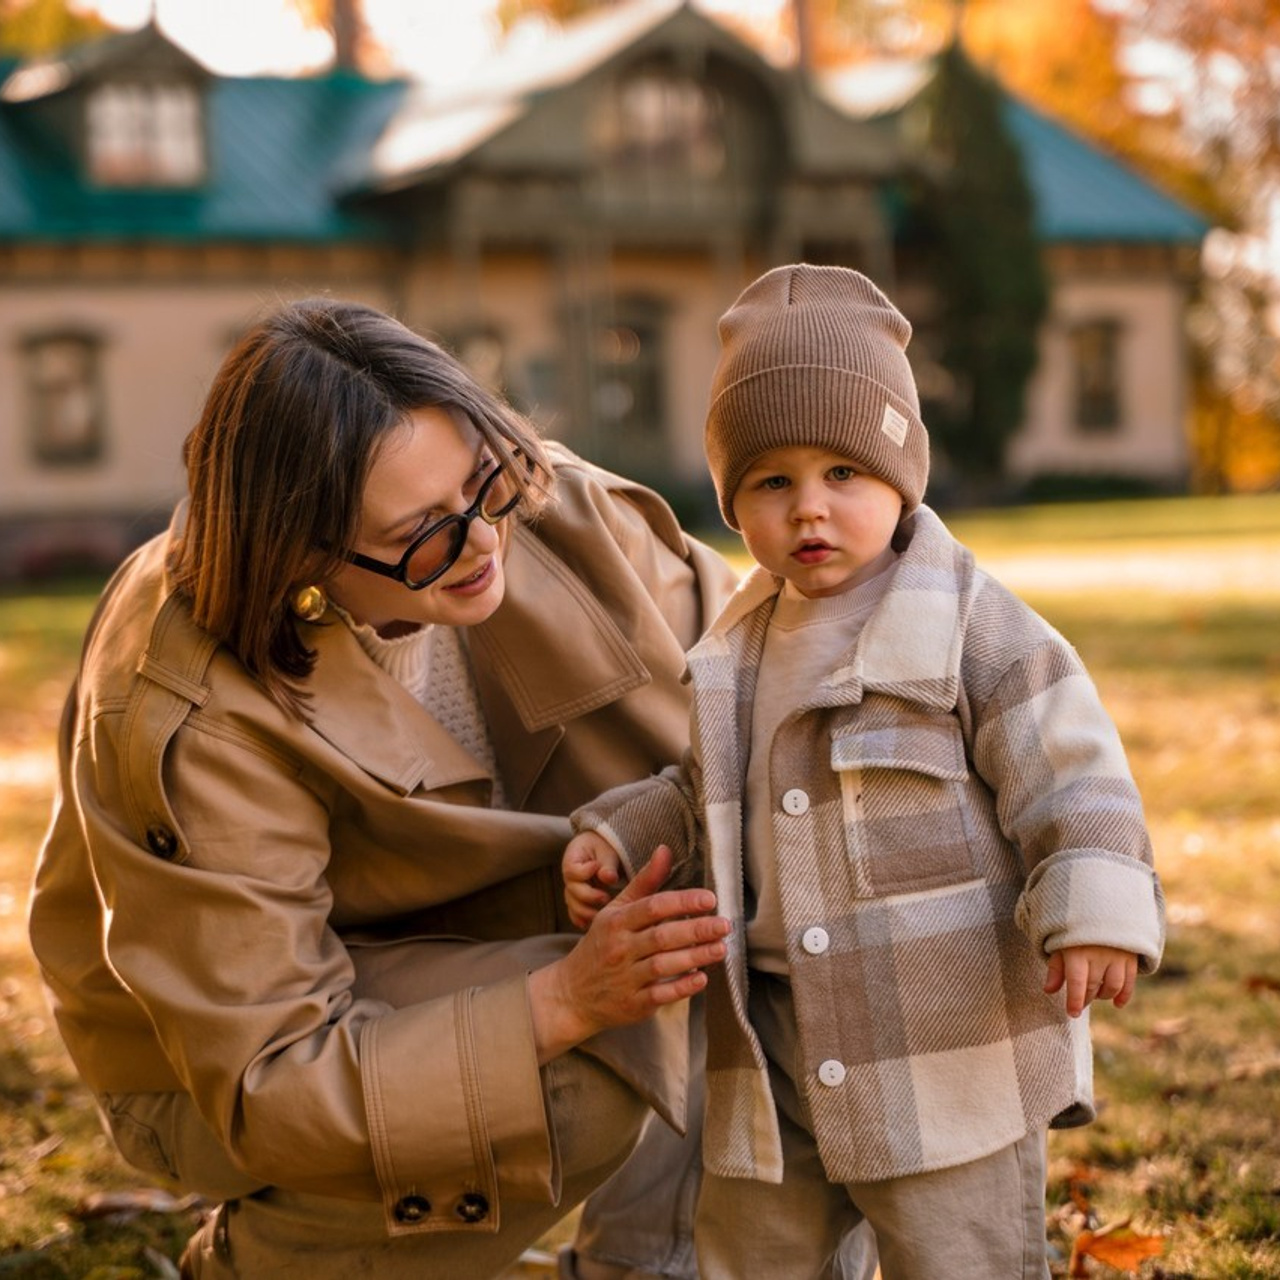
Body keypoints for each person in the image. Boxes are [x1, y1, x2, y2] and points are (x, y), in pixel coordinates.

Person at [27, 297, 740, 1279]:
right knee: (593, 1061)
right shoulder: (187, 707)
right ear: (301, 558)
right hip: (224, 1053)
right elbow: (270, 1073)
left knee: (757, 908)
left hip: (485, 936)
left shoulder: (549, 512)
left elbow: (780, 681)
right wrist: (567, 1001)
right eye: (424, 535)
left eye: (486, 482)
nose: (486, 541)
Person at [563, 264, 1166, 1280]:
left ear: (899, 477)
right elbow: (698, 785)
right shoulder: (736, 642)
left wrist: (1095, 903)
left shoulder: (971, 623)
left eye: (842, 473)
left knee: (956, 1251)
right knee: (753, 1251)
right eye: (771, 481)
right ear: (732, 501)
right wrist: (617, 834)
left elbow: (1069, 766)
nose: (809, 508)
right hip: (772, 1037)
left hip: (940, 1045)